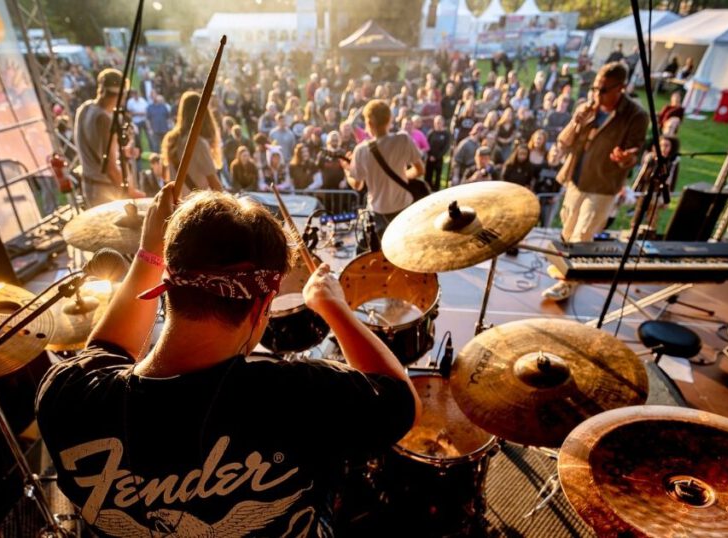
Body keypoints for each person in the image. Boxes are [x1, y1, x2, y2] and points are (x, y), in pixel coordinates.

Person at [36, 186, 420, 538]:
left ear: (166, 283)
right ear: (262, 304)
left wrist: (150, 252)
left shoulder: (67, 398)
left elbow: (103, 350)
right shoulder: (300, 396)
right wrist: (334, 307)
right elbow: (401, 401)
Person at [542, 62, 649, 301]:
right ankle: (566, 269)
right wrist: (576, 122)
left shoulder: (635, 116)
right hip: (576, 179)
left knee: (583, 234)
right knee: (568, 229)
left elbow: (635, 152)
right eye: (594, 88)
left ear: (620, 88)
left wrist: (626, 158)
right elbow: (564, 141)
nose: (596, 94)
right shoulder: (587, 108)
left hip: (602, 187)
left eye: (603, 90)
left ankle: (568, 283)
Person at [343, 99, 425, 232]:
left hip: (378, 213)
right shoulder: (403, 139)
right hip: (404, 208)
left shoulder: (361, 150)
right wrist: (402, 176)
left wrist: (347, 170)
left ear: (369, 123)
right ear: (389, 119)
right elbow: (420, 170)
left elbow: (358, 185)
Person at [75, 68, 146, 206]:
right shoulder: (104, 120)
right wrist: (131, 192)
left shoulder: (85, 108)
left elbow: (97, 148)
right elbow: (110, 167)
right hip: (105, 191)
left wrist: (122, 151)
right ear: (120, 95)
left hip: (90, 186)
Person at [161, 90, 225, 194]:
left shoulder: (170, 139)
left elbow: (165, 176)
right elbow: (214, 183)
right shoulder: (198, 143)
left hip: (178, 201)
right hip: (194, 201)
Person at [425, 115, 451, 191]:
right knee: (428, 174)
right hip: (430, 158)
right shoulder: (431, 133)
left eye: (439, 122)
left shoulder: (446, 134)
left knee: (438, 176)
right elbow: (426, 144)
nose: (438, 124)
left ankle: (435, 190)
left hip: (439, 159)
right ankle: (427, 189)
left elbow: (446, 148)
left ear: (443, 123)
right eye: (436, 122)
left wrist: (436, 157)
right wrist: (430, 155)